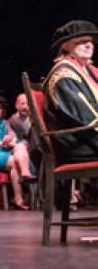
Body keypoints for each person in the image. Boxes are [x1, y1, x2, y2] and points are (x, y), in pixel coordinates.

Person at [43, 21, 98, 163]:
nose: (89, 45)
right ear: (66, 45)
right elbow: (84, 118)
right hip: (77, 143)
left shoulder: (91, 72)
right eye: (82, 41)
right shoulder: (63, 75)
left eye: (91, 42)